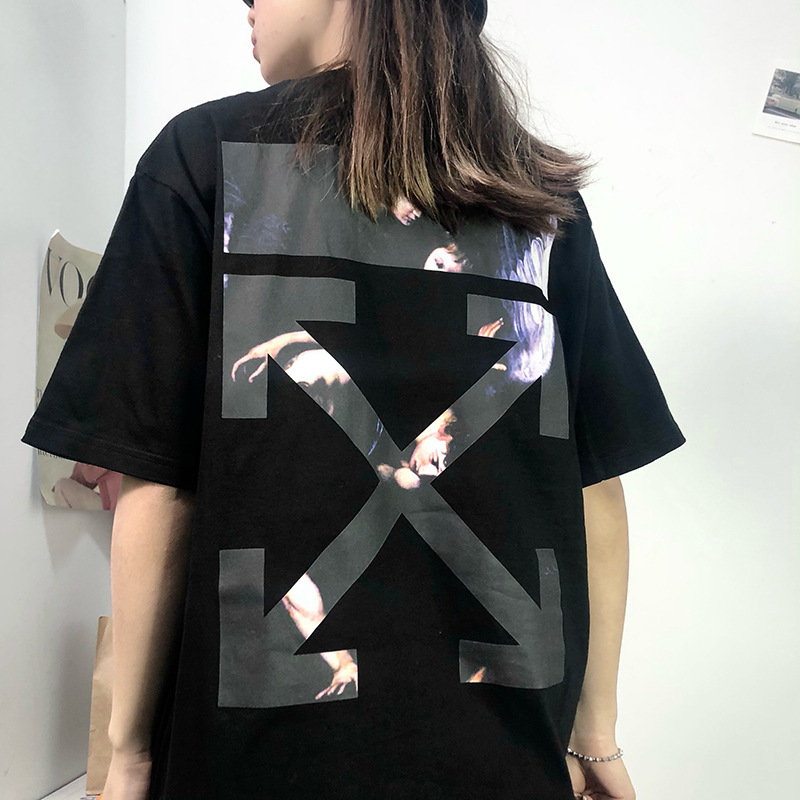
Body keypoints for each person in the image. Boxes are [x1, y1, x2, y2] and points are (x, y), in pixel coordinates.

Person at [20, 0, 686, 798]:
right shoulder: (536, 201)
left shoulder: (203, 156)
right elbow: (594, 480)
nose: (246, 3)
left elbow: (157, 486)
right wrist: (595, 736)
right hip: (502, 758)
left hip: (254, 764)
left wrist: (127, 751)